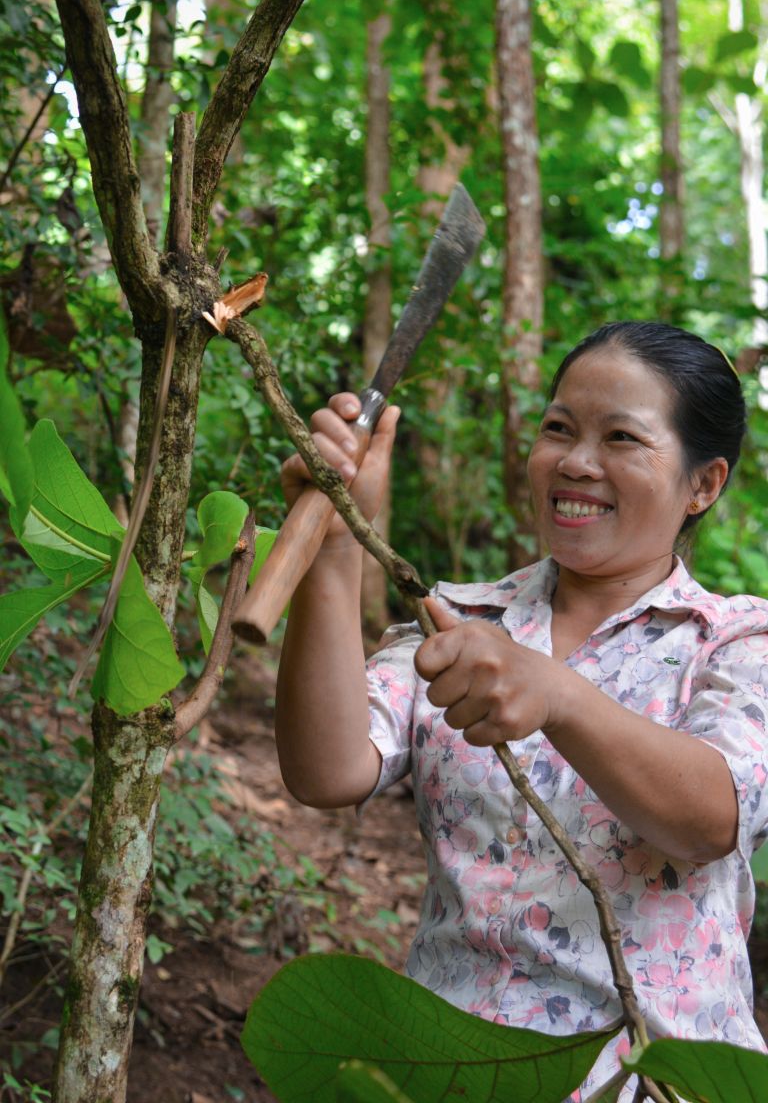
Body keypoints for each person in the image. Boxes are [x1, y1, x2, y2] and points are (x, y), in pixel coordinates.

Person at [274, 321, 768, 1101]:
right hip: (446, 1070)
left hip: (656, 1081)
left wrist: (558, 694)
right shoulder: (460, 621)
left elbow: (712, 817)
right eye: (559, 429)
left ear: (702, 484)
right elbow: (327, 769)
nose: (576, 462)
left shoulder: (738, 641)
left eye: (621, 439)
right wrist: (335, 551)